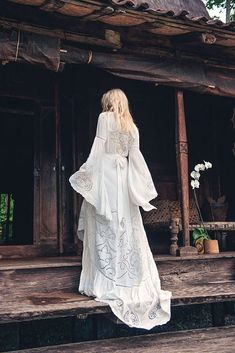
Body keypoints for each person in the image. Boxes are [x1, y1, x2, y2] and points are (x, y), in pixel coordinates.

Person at [69, 88, 171, 330]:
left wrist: (86, 171)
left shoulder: (105, 119)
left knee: (103, 224)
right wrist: (141, 186)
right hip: (123, 178)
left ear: (109, 102)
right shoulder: (132, 127)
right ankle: (127, 278)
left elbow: (99, 146)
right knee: (124, 225)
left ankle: (103, 282)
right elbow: (135, 158)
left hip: (106, 175)